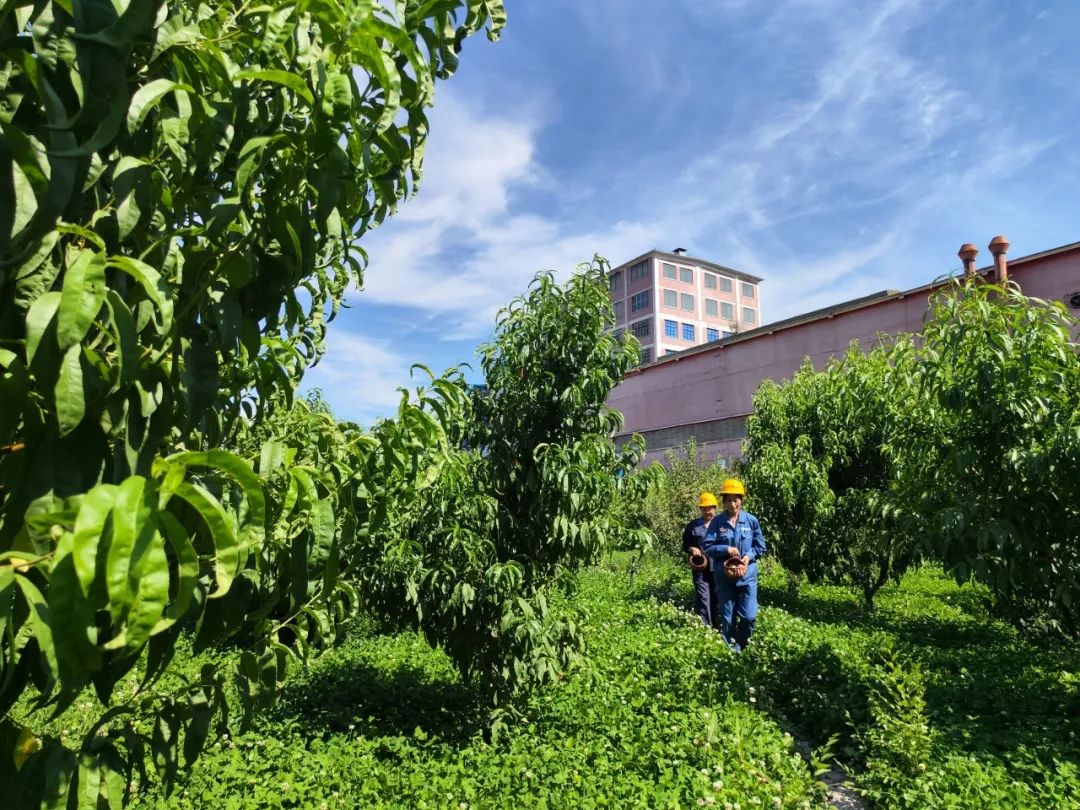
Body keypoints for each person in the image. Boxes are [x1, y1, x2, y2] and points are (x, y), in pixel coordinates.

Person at [703, 478, 766, 651]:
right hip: (724, 576)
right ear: (723, 502)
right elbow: (707, 546)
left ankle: (742, 644)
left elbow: (760, 546)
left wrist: (748, 556)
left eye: (736, 499)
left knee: (748, 616)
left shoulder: (751, 520)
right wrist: (726, 549)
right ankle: (730, 651)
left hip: (747, 575)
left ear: (742, 500)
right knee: (728, 615)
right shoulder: (717, 522)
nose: (733, 503)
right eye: (728, 499)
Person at [682, 492, 721, 629]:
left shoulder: (721, 524)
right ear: (700, 509)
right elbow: (685, 545)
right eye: (704, 508)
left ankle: (719, 626)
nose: (707, 511)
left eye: (710, 508)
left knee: (717, 596)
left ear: (715, 508)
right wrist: (692, 549)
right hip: (700, 568)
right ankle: (706, 628)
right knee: (703, 597)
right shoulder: (693, 526)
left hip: (717, 567)